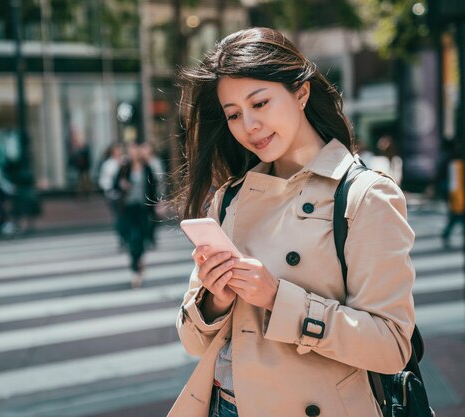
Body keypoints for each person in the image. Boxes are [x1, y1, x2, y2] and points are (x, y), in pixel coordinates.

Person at [169, 28, 415, 417]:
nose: (249, 125)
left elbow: (391, 346)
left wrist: (276, 298)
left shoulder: (364, 195)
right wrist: (215, 301)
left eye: (260, 103)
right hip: (224, 405)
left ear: (301, 92)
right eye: (234, 114)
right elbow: (193, 344)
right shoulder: (228, 199)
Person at [113, 143, 157, 288]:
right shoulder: (124, 168)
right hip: (128, 208)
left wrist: (155, 205)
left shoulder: (147, 168)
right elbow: (115, 185)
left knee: (142, 237)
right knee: (133, 238)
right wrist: (122, 185)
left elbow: (152, 188)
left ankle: (138, 260)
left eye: (135, 150)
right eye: (130, 150)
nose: (133, 153)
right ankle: (135, 267)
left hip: (143, 209)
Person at [99, 143, 127, 247]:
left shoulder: (125, 161)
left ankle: (126, 235)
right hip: (113, 194)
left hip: (124, 194)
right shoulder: (108, 164)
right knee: (118, 216)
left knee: (125, 216)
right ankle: (122, 237)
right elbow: (104, 180)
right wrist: (108, 190)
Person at [441, 141, 464, 247]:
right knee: (457, 214)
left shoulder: (448, 159)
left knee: (456, 215)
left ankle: (446, 233)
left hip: (454, 193)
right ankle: (446, 233)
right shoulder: (453, 161)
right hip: (456, 194)